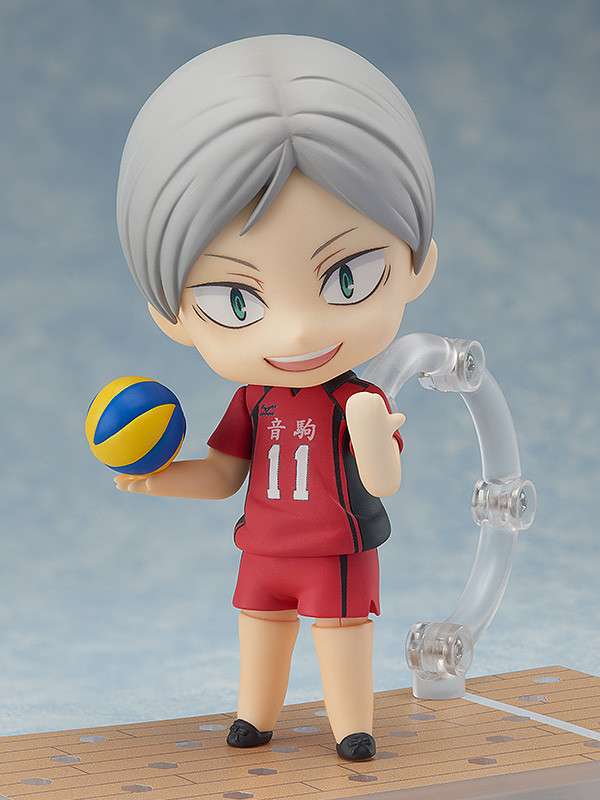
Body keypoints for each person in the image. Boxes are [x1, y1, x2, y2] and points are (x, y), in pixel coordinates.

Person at [113, 34, 437, 760]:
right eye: (237, 300)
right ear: (172, 315)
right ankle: (254, 717)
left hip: (335, 549)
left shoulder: (357, 397)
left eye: (347, 278)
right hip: (262, 546)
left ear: (417, 263)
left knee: (342, 634)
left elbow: (385, 481)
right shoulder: (253, 400)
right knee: (259, 629)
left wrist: (372, 431)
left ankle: (352, 726)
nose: (296, 330)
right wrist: (159, 479)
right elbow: (223, 474)